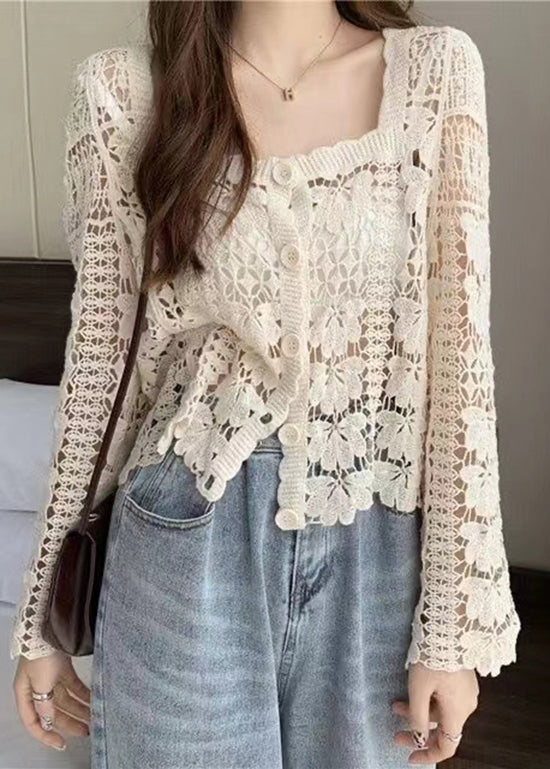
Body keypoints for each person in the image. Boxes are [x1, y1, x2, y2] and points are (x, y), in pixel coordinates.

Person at [11, 1, 521, 767]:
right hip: (183, 532)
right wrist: (40, 619)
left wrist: (450, 629)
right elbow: (99, 371)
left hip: (375, 542)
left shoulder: (434, 74)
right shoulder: (123, 92)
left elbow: (460, 366)